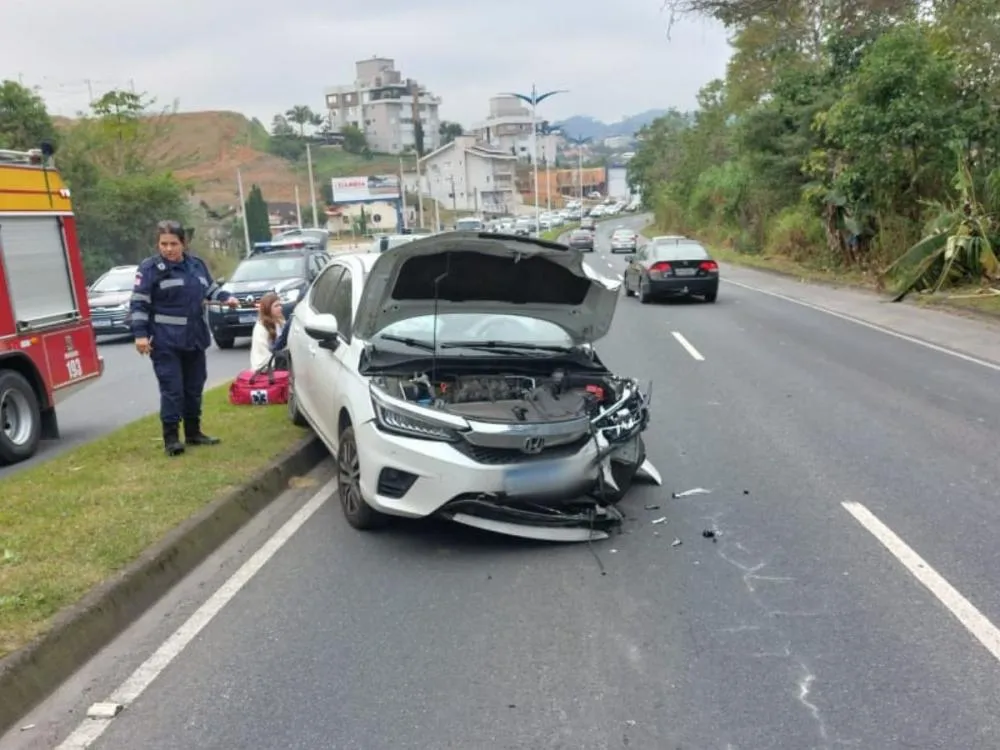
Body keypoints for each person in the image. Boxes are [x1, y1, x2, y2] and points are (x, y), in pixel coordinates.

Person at [130, 220, 238, 456]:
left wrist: (227, 297)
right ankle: (171, 438)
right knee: (173, 389)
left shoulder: (196, 266)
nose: (168, 249)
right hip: (165, 342)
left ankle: (193, 432)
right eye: (163, 244)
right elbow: (139, 304)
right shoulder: (149, 269)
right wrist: (140, 335)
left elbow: (210, 290)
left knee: (194, 388)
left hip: (195, 338)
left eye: (173, 244)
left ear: (184, 244)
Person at [250, 292, 285, 371]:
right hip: (264, 370)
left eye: (280, 305)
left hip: (279, 364)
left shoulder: (281, 322)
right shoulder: (261, 327)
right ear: (267, 308)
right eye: (276, 306)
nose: (280, 308)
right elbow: (262, 353)